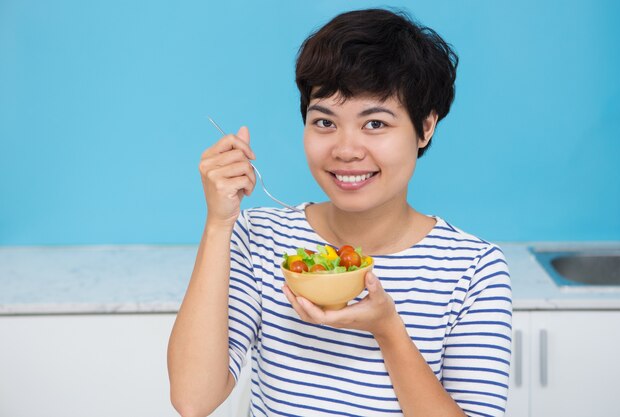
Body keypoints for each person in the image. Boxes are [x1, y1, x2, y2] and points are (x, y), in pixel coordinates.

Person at [168, 8, 512, 417]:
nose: (346, 150)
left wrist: (389, 333)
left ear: (425, 127)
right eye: (325, 122)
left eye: (375, 124)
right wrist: (219, 223)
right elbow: (193, 399)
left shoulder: (473, 269)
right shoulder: (259, 237)